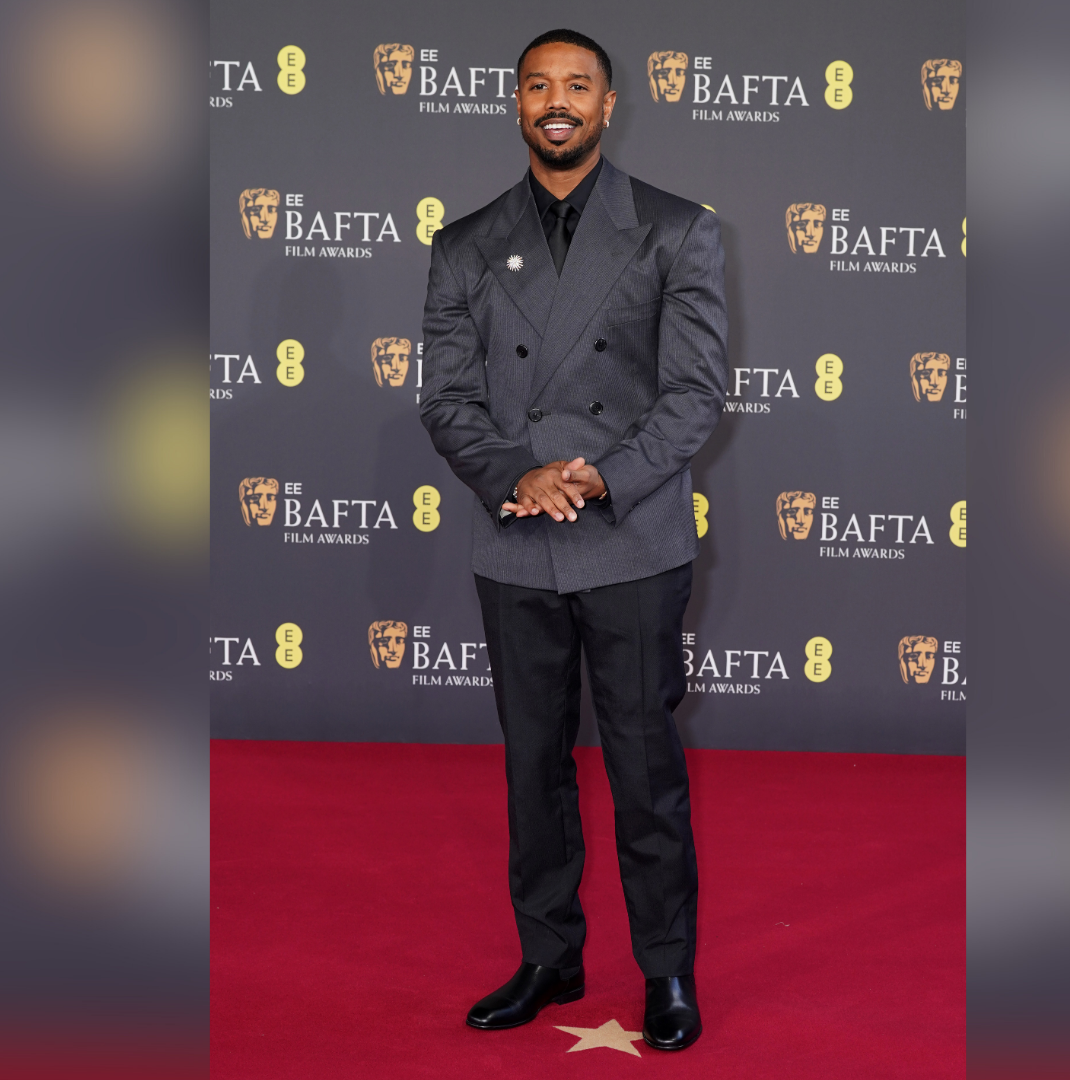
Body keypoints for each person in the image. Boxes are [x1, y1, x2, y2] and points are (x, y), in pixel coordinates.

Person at [417, 27, 726, 1054]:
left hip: (630, 536)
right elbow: (450, 400)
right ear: (516, 106)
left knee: (643, 768)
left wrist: (605, 474)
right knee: (533, 767)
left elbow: (693, 397)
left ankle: (667, 969)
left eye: (576, 86)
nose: (557, 101)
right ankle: (549, 956)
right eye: (537, 86)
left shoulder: (677, 232)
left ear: (608, 104)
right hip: (516, 541)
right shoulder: (463, 244)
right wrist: (520, 474)